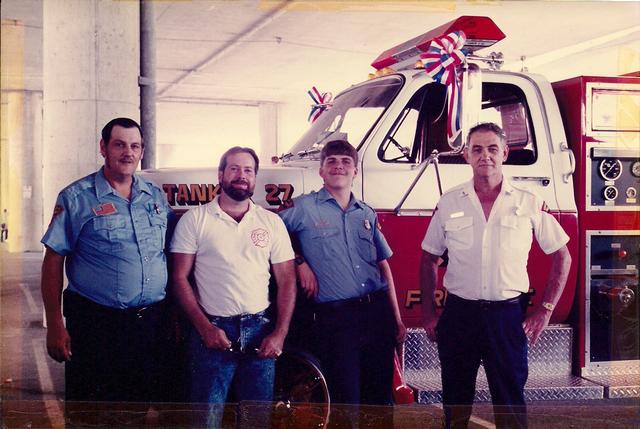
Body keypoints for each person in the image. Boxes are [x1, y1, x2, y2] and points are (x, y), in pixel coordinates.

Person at [420, 122, 572, 429]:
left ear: (504, 152)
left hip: (506, 317)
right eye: (476, 149)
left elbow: (562, 255)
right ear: (466, 156)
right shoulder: (449, 202)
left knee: (510, 403)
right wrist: (428, 314)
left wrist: (545, 311)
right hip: (459, 315)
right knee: (455, 403)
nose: (484, 156)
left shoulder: (528, 201)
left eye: (492, 148)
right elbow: (428, 259)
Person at [41, 117, 173, 406]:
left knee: (137, 410)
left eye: (135, 146)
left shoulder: (155, 197)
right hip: (95, 325)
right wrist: (54, 323)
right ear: (103, 148)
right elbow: (53, 260)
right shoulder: (76, 197)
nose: (128, 152)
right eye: (119, 145)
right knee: (90, 412)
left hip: (147, 325)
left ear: (142, 151)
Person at [279, 139, 406, 426]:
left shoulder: (366, 213)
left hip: (376, 315)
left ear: (355, 172)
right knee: (345, 399)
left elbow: (384, 266)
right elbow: (269, 230)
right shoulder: (303, 208)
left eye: (346, 162)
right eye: (332, 162)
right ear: (321, 171)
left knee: (380, 400)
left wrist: (397, 319)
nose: (339, 166)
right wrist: (299, 262)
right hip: (336, 320)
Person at [170, 146, 296, 428]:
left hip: (261, 333)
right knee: (205, 422)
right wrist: (205, 329)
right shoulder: (195, 220)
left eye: (248, 170)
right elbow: (179, 278)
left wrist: (279, 334)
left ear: (255, 178)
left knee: (255, 421)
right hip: (212, 334)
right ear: (221, 175)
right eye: (235, 169)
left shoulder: (271, 222)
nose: (242, 176)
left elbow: (287, 280)